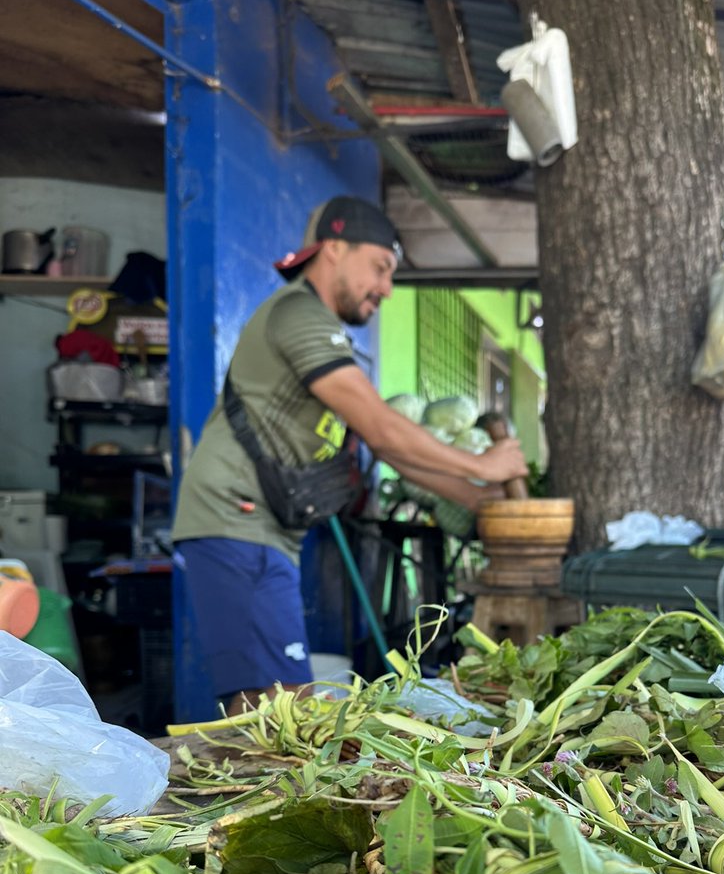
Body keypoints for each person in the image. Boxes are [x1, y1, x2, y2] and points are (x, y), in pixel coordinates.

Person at [172, 194, 527, 715]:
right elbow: (382, 429)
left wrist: (474, 497)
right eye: (380, 268)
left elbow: (390, 447)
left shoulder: (322, 327)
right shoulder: (299, 314)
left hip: (263, 528)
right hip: (235, 520)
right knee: (277, 709)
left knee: (274, 707)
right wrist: (481, 465)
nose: (385, 288)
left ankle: (265, 784)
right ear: (334, 248)